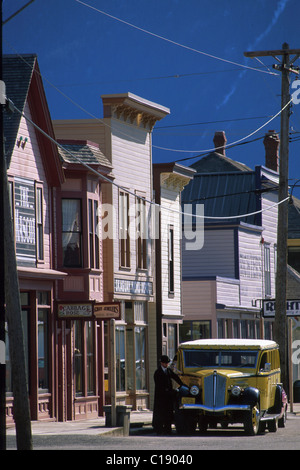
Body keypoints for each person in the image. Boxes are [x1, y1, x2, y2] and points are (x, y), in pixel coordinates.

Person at [152, 355, 183, 435]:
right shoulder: (158, 372)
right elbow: (159, 386)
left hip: (168, 397)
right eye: (165, 363)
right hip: (161, 397)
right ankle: (159, 430)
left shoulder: (168, 371)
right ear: (162, 363)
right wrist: (168, 391)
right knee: (160, 414)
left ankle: (167, 429)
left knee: (168, 413)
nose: (167, 364)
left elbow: (175, 377)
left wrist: (182, 384)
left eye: (167, 363)